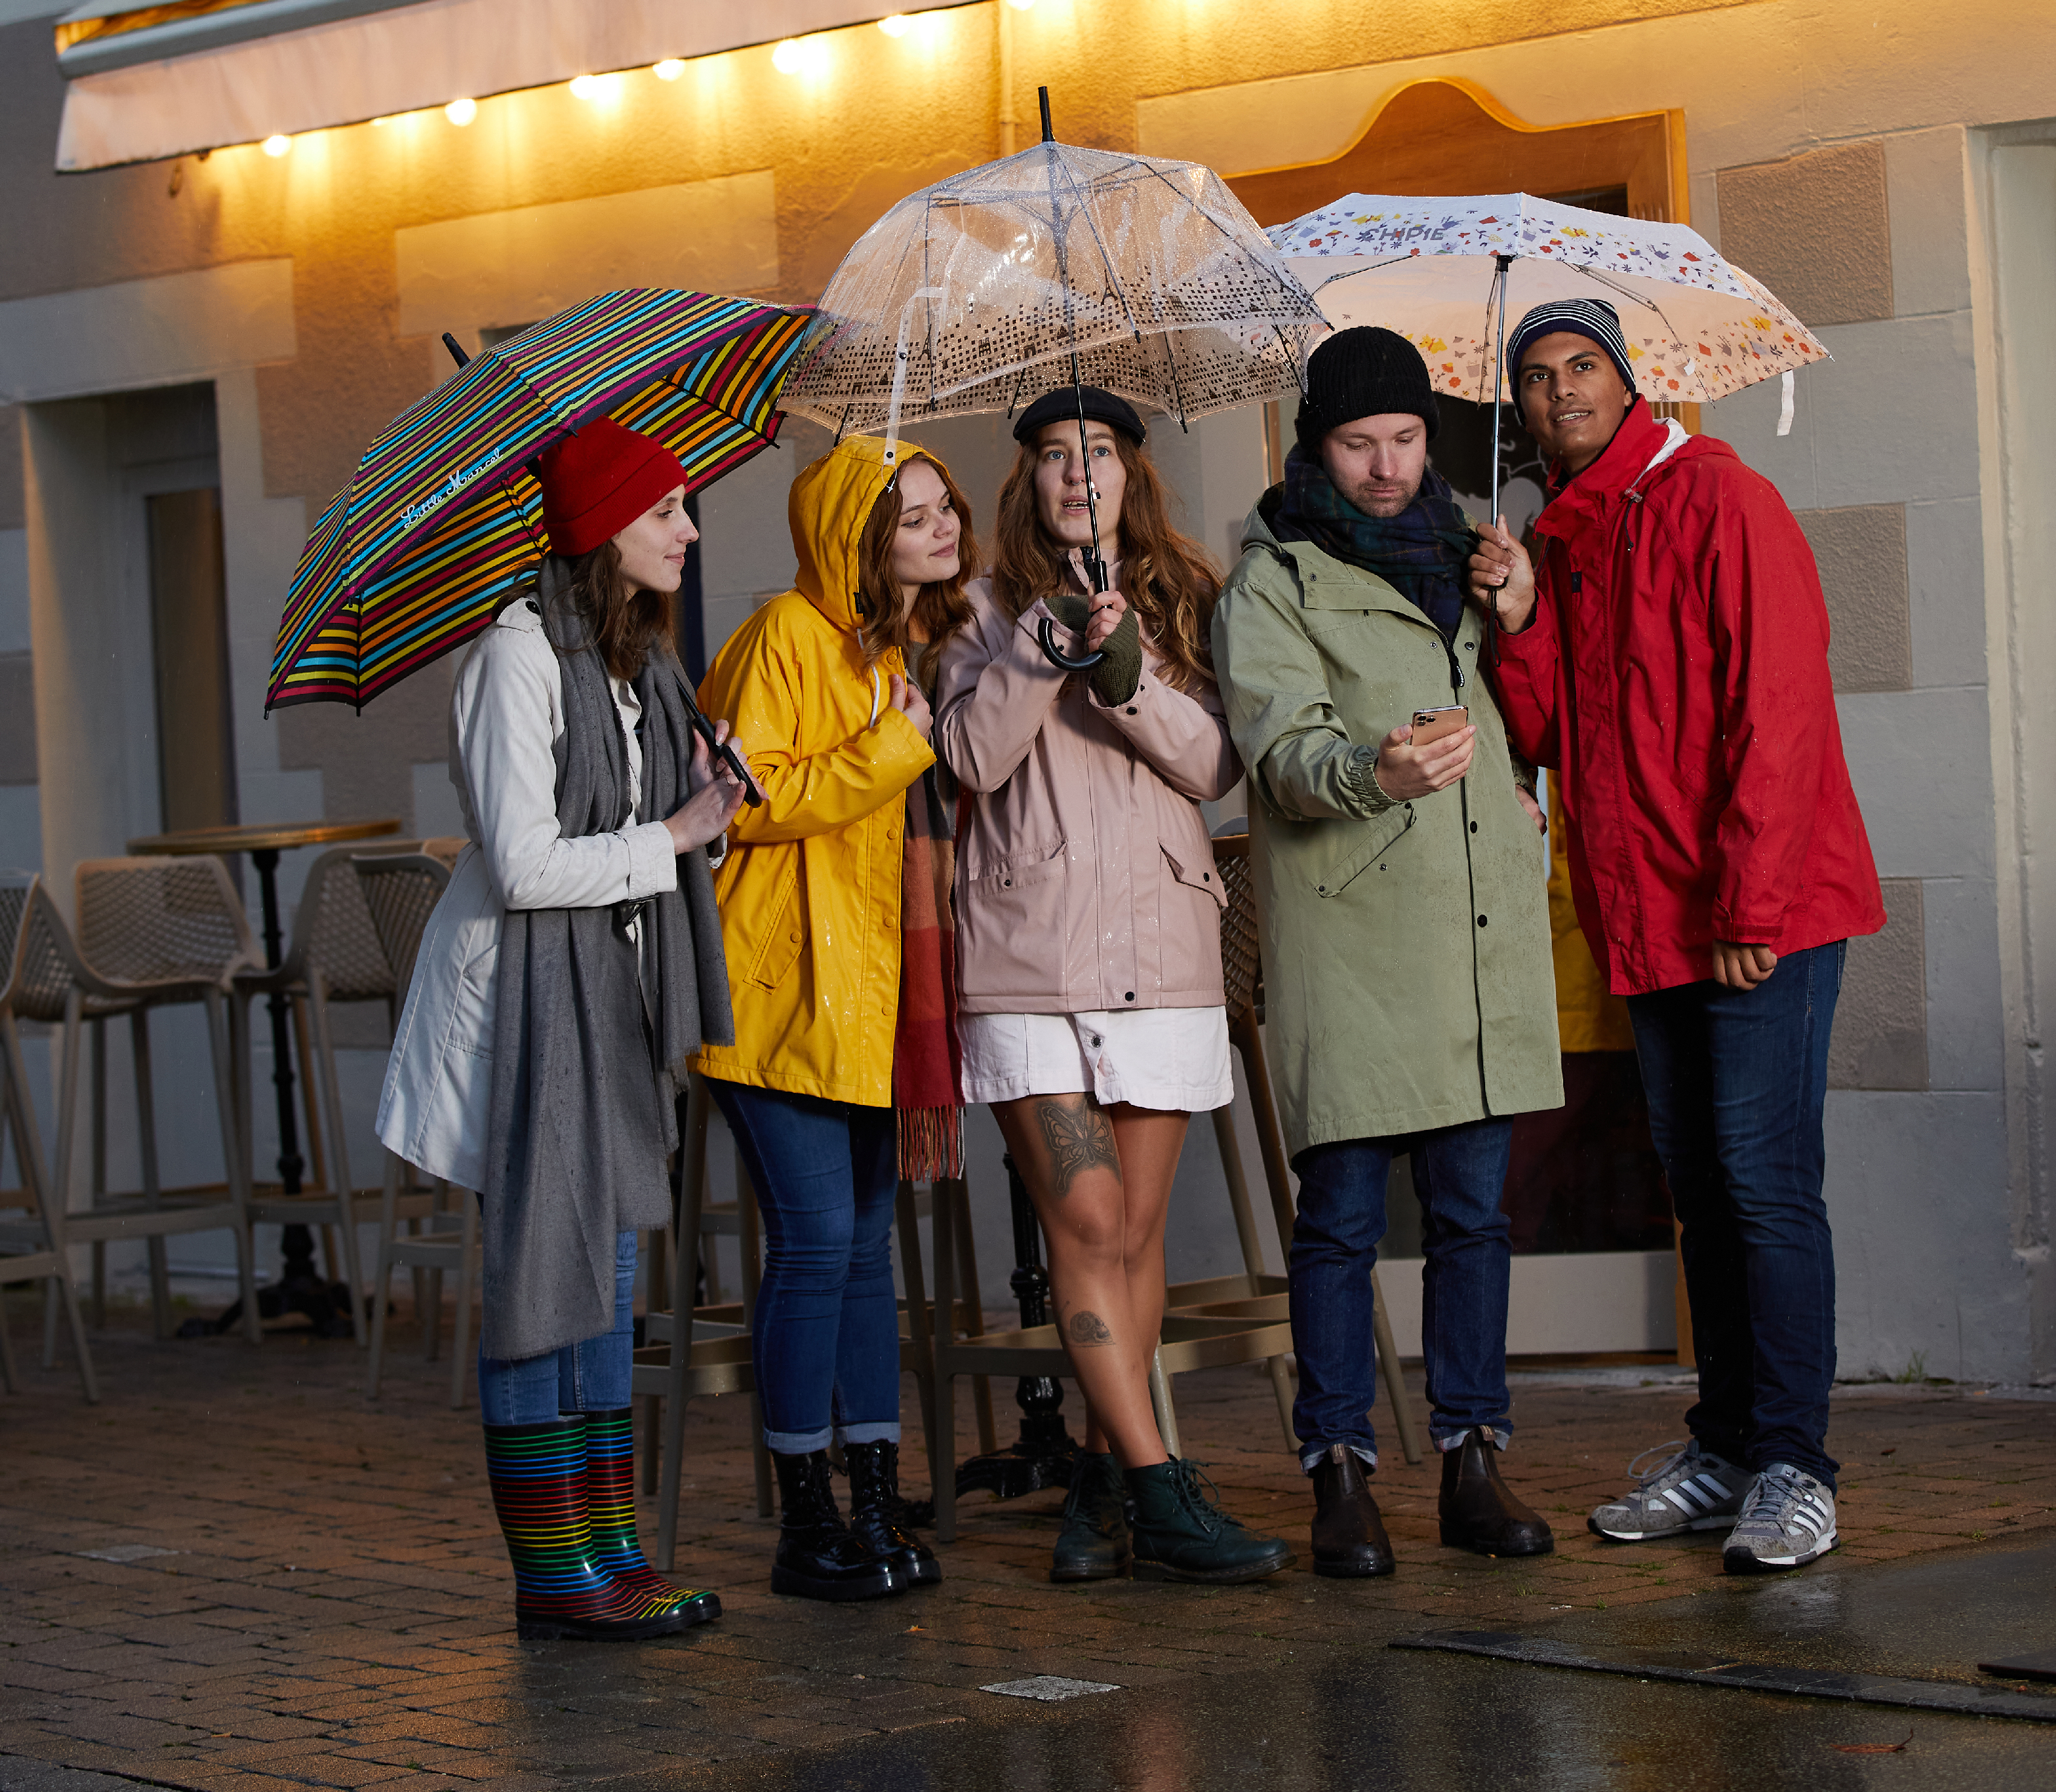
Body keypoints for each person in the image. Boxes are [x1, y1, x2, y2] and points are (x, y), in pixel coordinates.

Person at [1471, 298, 1885, 1574]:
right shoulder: (1562, 532)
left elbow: (1779, 715)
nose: (1557, 394)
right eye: (1534, 378)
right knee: (1698, 1192)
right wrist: (1523, 614)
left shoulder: (1720, 500)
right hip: (1646, 920)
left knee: (1763, 1191)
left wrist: (1748, 908)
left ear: (1625, 379)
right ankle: (1723, 1445)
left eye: (1579, 368)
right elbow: (1547, 739)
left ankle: (1792, 1469)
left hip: (1753, 914)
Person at [377, 418, 749, 1641]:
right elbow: (528, 862)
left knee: (613, 1287)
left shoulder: (638, 670)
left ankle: (611, 1551)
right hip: (531, 1011)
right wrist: (673, 838)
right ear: (601, 530)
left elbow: (643, 842)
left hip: (612, 1007)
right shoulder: (516, 658)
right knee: (550, 1281)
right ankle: (555, 1573)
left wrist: (704, 805)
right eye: (663, 513)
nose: (687, 530)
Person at [1210, 327, 1563, 1579]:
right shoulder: (1272, 582)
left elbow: (1541, 720)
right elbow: (1279, 751)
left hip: (1476, 927)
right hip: (1355, 935)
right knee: (1343, 1222)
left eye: (1405, 439)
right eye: (1358, 443)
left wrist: (1518, 617)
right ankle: (1338, 1473)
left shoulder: (1475, 559)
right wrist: (1373, 768)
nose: (1385, 466)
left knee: (1473, 1216)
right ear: (1317, 445)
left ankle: (1473, 1458)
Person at [935, 385, 1291, 1586]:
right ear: (1023, 479)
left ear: (1133, 473)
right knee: (1085, 1222)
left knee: (1133, 1235)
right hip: (1028, 961)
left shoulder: (1186, 599)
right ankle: (1159, 1488)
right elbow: (972, 758)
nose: (1074, 473)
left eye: (1096, 453)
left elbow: (1214, 767)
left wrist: (1126, 668)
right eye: (1050, 456)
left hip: (1162, 955)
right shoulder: (979, 611)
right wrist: (1045, 647)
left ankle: (1098, 1481)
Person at [691, 436, 974, 1602]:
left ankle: (868, 1496)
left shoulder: (887, 650)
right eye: (911, 518)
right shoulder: (781, 640)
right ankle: (804, 1522)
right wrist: (891, 742)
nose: (942, 526)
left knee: (865, 1259)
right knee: (816, 1249)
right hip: (775, 996)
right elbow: (743, 804)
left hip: (858, 998)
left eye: (943, 506)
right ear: (855, 541)